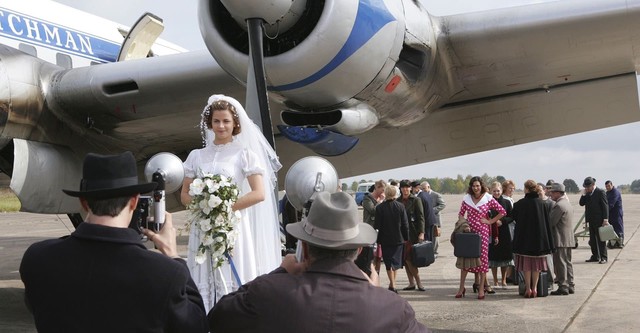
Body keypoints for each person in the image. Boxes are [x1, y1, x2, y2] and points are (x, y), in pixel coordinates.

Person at [20, 152, 208, 333]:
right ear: (134, 202)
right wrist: (174, 257)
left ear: (83, 202)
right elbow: (196, 325)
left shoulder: (37, 259)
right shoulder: (165, 273)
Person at [208, 191, 430, 333]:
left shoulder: (268, 292)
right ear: (359, 248)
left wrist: (280, 272)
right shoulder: (392, 307)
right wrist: (377, 295)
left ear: (304, 247)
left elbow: (217, 318)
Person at [181, 94, 282, 311]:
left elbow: (259, 193)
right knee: (203, 274)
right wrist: (204, 208)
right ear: (210, 123)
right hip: (203, 227)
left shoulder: (244, 154)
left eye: (226, 121)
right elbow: (185, 196)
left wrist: (223, 208)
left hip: (233, 226)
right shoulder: (196, 156)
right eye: (216, 121)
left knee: (231, 273)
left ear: (235, 123)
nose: (221, 126)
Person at [456, 176, 505, 300]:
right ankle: (461, 287)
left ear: (481, 186)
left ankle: (482, 288)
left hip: (482, 232)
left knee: (483, 260)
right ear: (471, 187)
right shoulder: (466, 199)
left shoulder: (488, 198)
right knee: (466, 260)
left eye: (477, 185)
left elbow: (502, 211)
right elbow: (461, 214)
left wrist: (490, 221)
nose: (476, 188)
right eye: (473, 186)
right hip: (469, 232)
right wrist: (465, 225)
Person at [511, 180, 555, 298]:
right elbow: (547, 223)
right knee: (536, 267)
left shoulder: (519, 204)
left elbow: (510, 217)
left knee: (526, 266)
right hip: (539, 242)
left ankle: (528, 288)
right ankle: (535, 288)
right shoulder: (543, 204)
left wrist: (498, 221)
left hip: (524, 241)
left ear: (526, 189)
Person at [375, 185, 409, 293]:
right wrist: (406, 237)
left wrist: (377, 239)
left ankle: (392, 284)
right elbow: (405, 224)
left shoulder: (379, 208)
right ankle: (393, 284)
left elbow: (377, 225)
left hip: (385, 239)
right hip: (398, 238)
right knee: (396, 262)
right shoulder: (400, 206)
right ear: (395, 193)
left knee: (389, 262)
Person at [398, 180, 426, 291]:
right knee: (406, 260)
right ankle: (411, 283)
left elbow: (421, 217)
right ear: (400, 189)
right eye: (403, 187)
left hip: (413, 233)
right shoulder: (397, 201)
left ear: (410, 188)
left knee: (410, 259)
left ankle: (419, 282)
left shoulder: (416, 200)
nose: (405, 189)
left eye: (407, 187)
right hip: (401, 234)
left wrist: (422, 232)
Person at [548, 183, 576, 295]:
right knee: (568, 262)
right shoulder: (568, 204)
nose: (551, 194)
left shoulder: (559, 206)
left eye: (553, 192)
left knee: (560, 263)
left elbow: (551, 222)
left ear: (558, 193)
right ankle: (570, 284)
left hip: (560, 239)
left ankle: (563, 286)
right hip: (568, 238)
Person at [487, 181, 514, 289]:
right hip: (492, 232)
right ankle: (495, 280)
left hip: (504, 232)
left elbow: (512, 216)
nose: (496, 193)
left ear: (501, 191)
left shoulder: (507, 202)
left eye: (498, 191)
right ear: (490, 191)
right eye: (494, 191)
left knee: (504, 258)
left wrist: (502, 222)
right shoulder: (488, 202)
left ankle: (503, 280)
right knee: (494, 258)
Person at [579, 177, 609, 264]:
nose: (586, 188)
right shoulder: (587, 193)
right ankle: (595, 256)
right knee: (592, 240)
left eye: (588, 187)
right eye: (585, 187)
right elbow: (581, 203)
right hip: (590, 220)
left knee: (601, 239)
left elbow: (605, 206)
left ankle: (603, 257)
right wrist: (583, 194)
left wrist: (605, 219)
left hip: (600, 220)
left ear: (592, 185)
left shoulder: (600, 192)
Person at [359, 180, 386, 274]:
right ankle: (370, 273)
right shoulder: (367, 198)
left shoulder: (382, 198)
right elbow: (373, 211)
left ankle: (376, 274)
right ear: (377, 188)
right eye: (382, 190)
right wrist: (381, 201)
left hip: (380, 230)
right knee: (370, 254)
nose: (383, 193)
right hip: (370, 229)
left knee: (378, 256)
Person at [422, 181, 446, 255]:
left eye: (424, 188)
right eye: (422, 189)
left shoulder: (436, 195)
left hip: (435, 219)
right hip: (427, 219)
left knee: (435, 236)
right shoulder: (423, 195)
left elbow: (443, 204)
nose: (423, 190)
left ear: (429, 187)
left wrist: (432, 210)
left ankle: (435, 251)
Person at [605, 180, 624, 248]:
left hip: (616, 213)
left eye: (609, 186)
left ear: (612, 185)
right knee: (611, 228)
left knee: (618, 227)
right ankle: (612, 242)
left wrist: (604, 210)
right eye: (606, 186)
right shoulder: (607, 193)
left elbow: (611, 204)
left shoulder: (615, 192)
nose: (607, 187)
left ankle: (620, 242)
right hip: (610, 213)